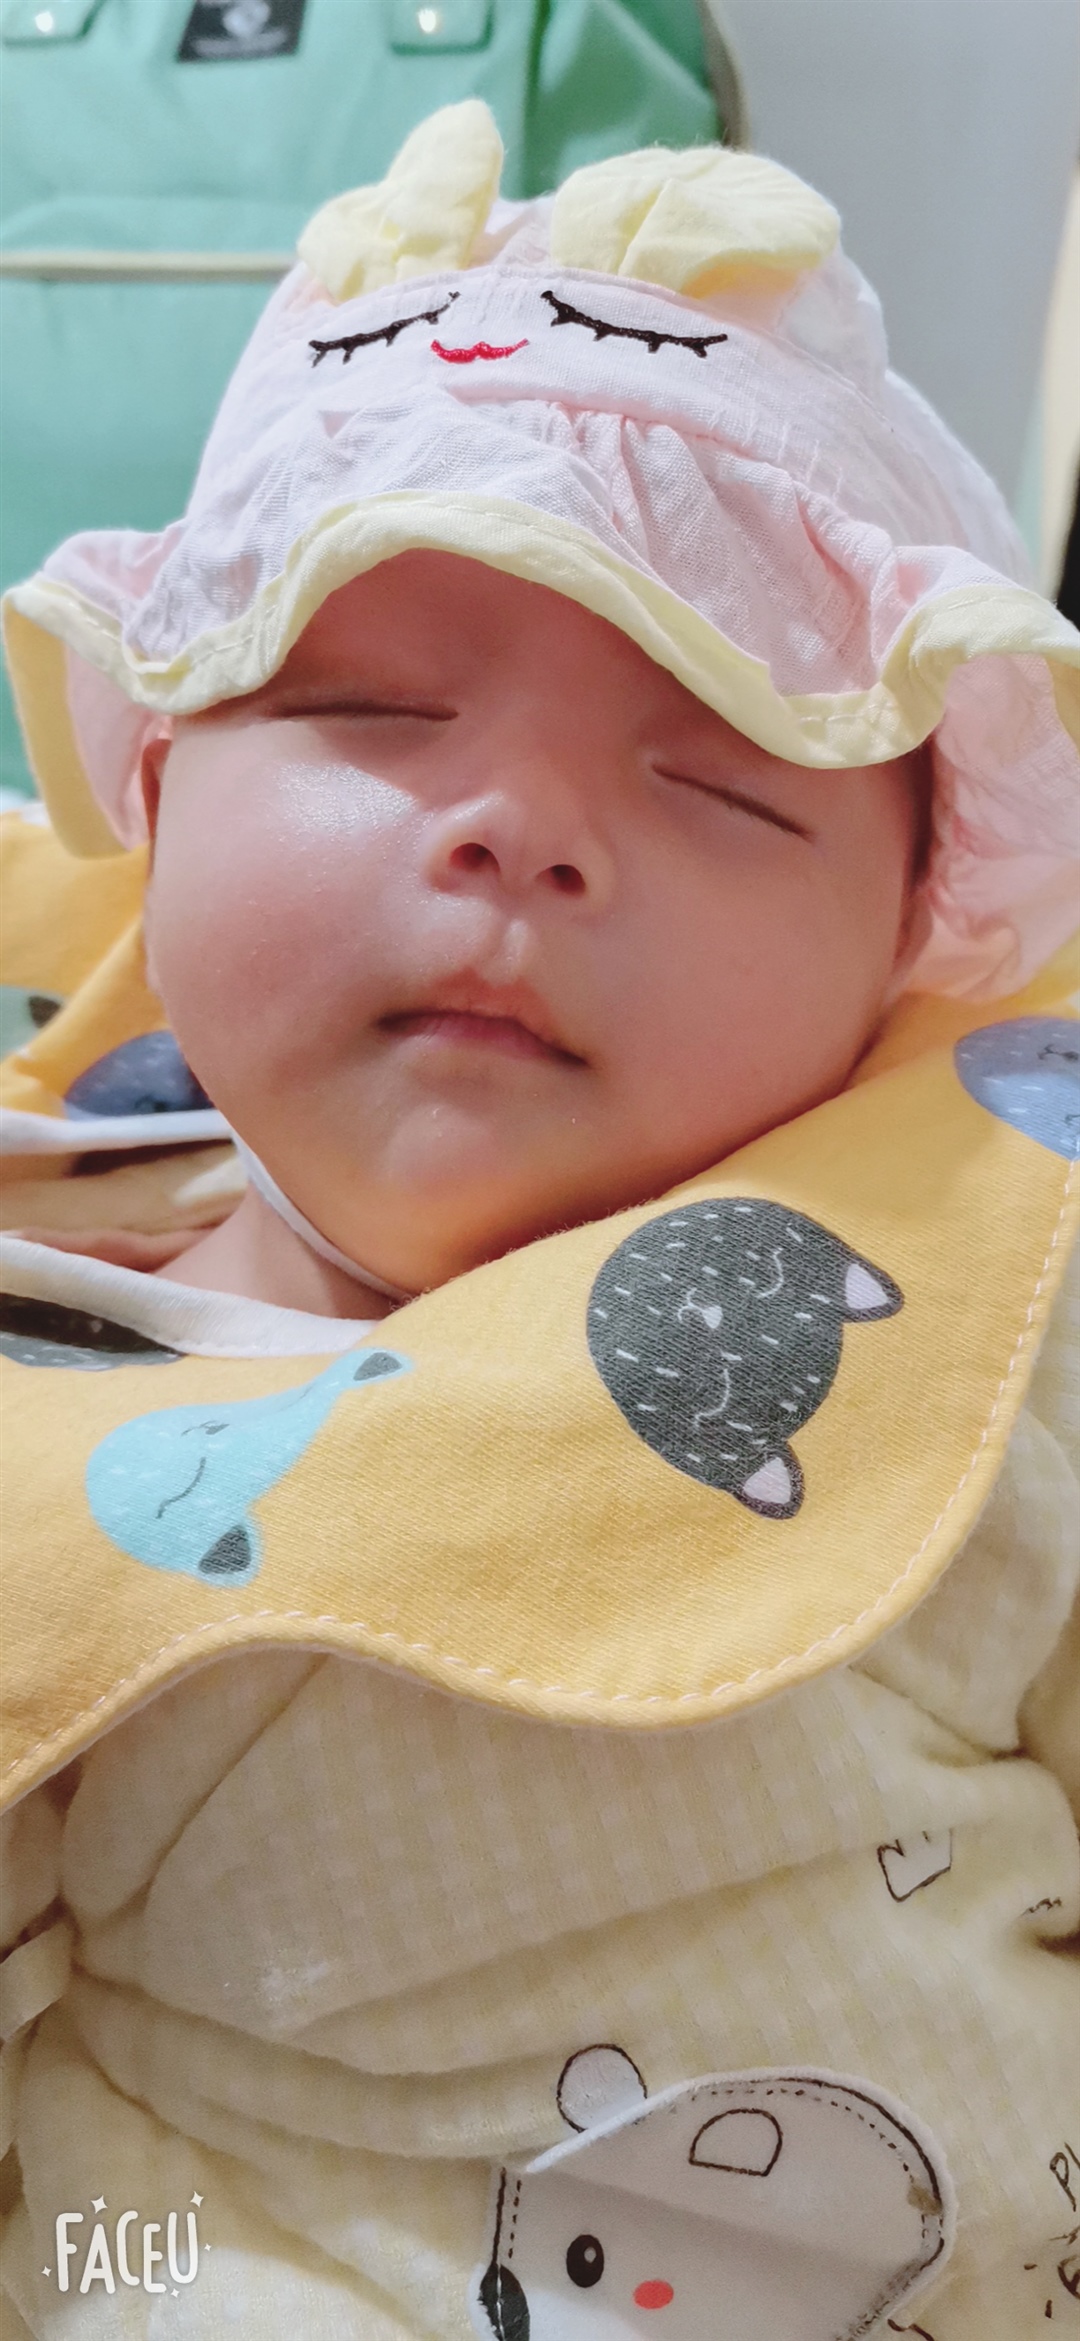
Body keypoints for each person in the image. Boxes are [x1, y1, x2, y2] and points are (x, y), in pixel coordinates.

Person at [0, 102, 1077, 2339]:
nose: (521, 828)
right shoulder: (43, 1362)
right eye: (372, 706)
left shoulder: (991, 1283)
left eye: (721, 778)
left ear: (908, 937)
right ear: (161, 792)